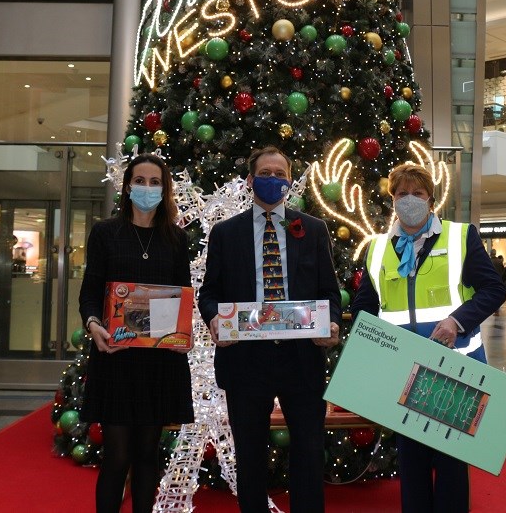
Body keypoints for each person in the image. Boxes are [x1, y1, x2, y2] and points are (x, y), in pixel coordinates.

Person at [350, 163, 505, 513]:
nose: (409, 200)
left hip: (453, 371)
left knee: (451, 463)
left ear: (431, 200)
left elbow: (493, 289)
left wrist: (457, 321)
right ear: (392, 200)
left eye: (417, 194)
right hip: (403, 371)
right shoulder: (376, 248)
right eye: (401, 194)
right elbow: (364, 307)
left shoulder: (460, 236)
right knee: (412, 463)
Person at [198, 146, 341, 513]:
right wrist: (215, 318)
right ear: (250, 181)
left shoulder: (312, 229)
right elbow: (209, 292)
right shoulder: (225, 234)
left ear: (290, 182)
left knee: (309, 453)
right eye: (266, 172)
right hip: (246, 361)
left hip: (301, 359)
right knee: (250, 456)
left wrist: (334, 322)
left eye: (280, 174)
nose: (273, 180)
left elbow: (329, 291)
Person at [78, 153, 194, 513]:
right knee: (117, 456)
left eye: (155, 182)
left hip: (158, 361)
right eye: (140, 181)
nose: (147, 188)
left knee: (147, 455)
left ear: (165, 189)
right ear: (127, 186)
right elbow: (89, 293)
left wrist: (182, 335)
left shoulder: (176, 238)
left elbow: (182, 297)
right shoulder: (105, 233)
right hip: (116, 359)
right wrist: (94, 324)